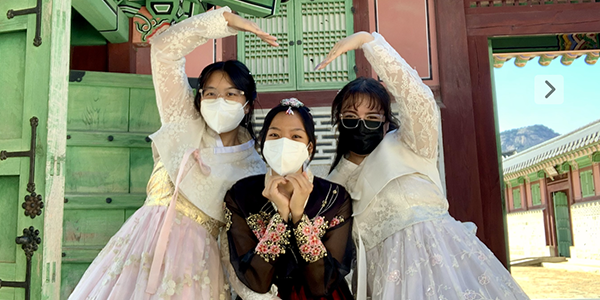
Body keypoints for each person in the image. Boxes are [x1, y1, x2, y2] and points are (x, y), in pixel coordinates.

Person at [68, 7, 277, 300]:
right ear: (199, 97)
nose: (220, 100)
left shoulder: (255, 168)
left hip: (198, 269)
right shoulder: (182, 122)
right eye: (211, 93)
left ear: (248, 102)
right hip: (141, 251)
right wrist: (224, 21)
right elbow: (165, 50)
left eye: (231, 94)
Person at [316, 32, 530, 300]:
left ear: (385, 121)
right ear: (338, 122)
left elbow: (418, 99)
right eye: (350, 117)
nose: (361, 124)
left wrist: (367, 42)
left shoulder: (411, 144)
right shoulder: (333, 185)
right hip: (387, 282)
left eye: (372, 117)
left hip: (448, 269)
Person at [221, 99, 354, 300]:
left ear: (310, 147)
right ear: (263, 143)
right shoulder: (241, 195)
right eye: (274, 135)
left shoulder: (334, 198)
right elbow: (256, 281)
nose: (284, 143)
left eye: (296, 136)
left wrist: (299, 217)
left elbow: (323, 284)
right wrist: (281, 217)